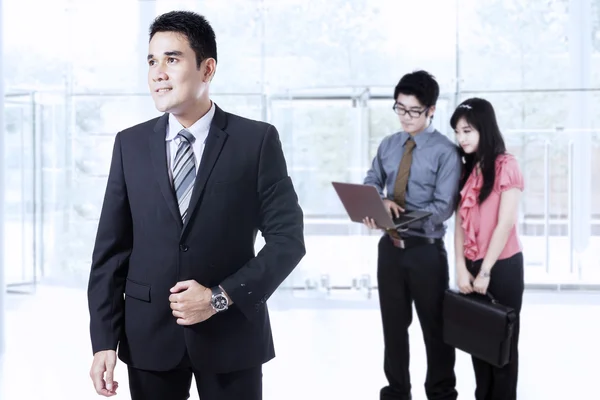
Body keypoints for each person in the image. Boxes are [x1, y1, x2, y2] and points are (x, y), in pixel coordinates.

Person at [86, 10, 305, 400]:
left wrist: (220, 296)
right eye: (152, 61)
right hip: (148, 337)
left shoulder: (255, 142)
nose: (158, 73)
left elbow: (288, 241)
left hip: (231, 336)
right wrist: (104, 340)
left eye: (172, 59)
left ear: (207, 69)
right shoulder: (129, 145)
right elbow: (111, 252)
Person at [363, 70, 461, 400]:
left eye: (414, 111)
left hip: (426, 251)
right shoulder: (389, 145)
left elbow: (443, 207)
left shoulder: (446, 152)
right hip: (389, 249)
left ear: (431, 110)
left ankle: (441, 392)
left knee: (436, 329)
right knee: (393, 327)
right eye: (400, 109)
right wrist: (377, 202)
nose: (406, 117)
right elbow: (371, 181)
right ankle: (396, 392)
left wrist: (397, 213)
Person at [452, 97, 524, 400]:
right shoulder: (468, 168)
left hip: (502, 266)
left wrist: (485, 271)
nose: (461, 138)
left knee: (503, 351)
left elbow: (505, 223)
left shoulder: (507, 165)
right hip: (471, 266)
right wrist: (460, 267)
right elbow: (459, 223)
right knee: (479, 346)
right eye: (457, 132)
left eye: (467, 131)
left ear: (484, 128)